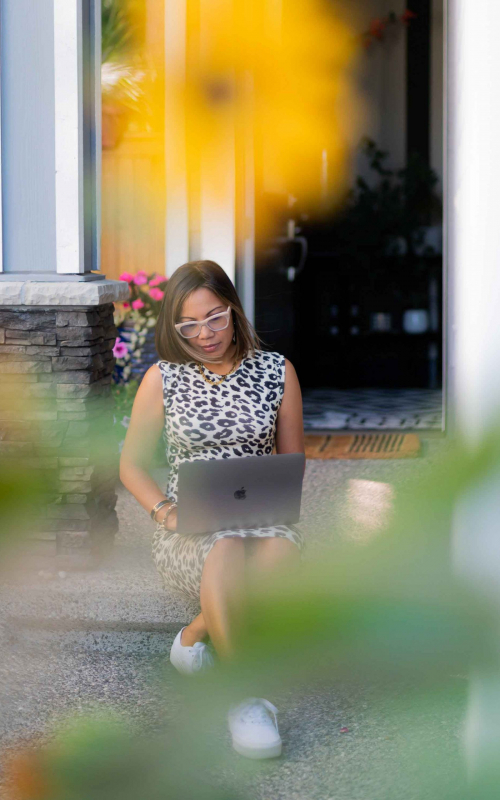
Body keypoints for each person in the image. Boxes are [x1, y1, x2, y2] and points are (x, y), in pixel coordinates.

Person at [119, 259, 306, 759]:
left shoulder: (277, 371)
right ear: (173, 327)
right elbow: (131, 467)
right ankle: (245, 699)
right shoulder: (163, 379)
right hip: (191, 524)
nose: (205, 334)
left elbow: (291, 466)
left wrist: (275, 506)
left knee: (278, 557)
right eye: (189, 324)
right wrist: (165, 513)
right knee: (224, 546)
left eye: (215, 317)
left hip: (263, 514)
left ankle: (193, 636)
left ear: (233, 309)